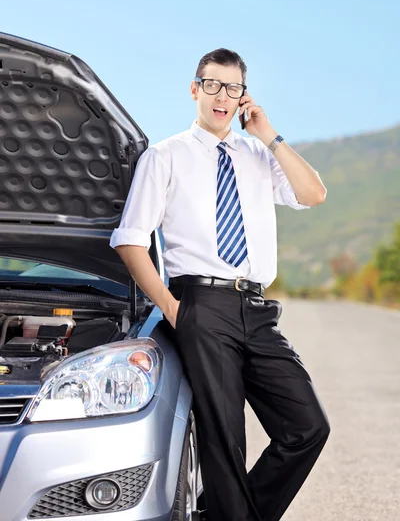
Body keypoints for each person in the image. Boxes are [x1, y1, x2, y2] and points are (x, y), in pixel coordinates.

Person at [109, 48, 330, 521]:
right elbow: (130, 242)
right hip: (200, 304)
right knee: (224, 438)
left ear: (243, 96)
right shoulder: (164, 157)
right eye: (212, 85)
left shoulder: (257, 155)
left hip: (256, 308)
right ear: (195, 89)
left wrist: (268, 135)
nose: (222, 96)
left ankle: (215, 515)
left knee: (307, 426)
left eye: (233, 88)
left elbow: (313, 194)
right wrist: (172, 309)